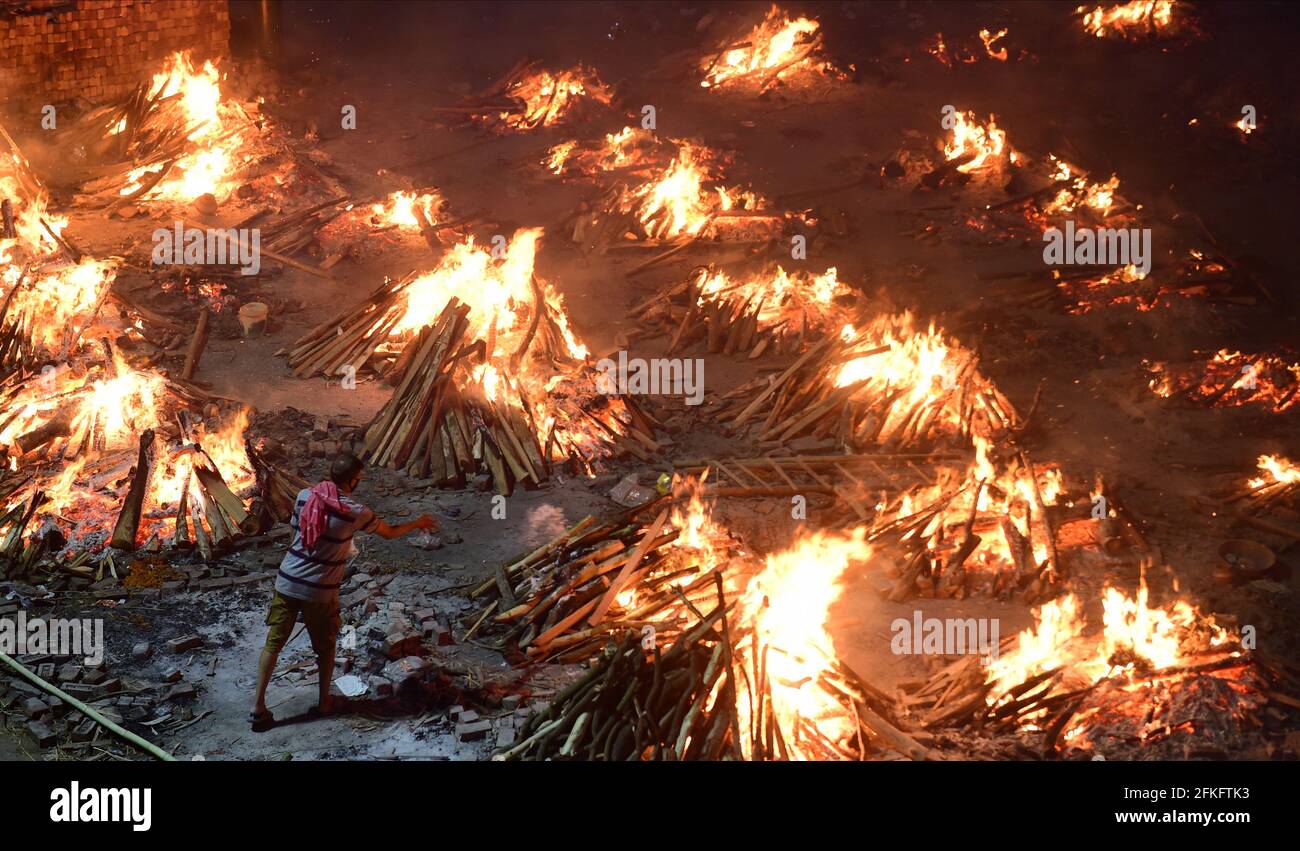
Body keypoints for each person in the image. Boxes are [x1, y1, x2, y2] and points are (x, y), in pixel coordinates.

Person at [250, 452, 437, 727]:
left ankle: (257, 708)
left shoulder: (305, 496)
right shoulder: (355, 512)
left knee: (273, 643)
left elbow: (297, 534)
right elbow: (389, 532)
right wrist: (417, 523)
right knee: (325, 648)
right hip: (320, 591)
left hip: (287, 581)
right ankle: (324, 702)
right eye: (358, 479)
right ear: (351, 480)